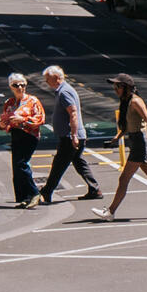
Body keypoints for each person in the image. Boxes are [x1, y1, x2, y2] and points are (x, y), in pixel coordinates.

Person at [94, 73, 147, 220]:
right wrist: (117, 138)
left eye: (118, 86)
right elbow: (128, 125)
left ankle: (111, 212)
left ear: (126, 87)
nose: (115, 88)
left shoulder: (136, 101)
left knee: (124, 179)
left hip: (140, 143)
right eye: (115, 85)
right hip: (135, 141)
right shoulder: (126, 101)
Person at [37, 65, 101, 203]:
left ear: (56, 77)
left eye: (47, 79)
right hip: (72, 136)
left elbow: (73, 113)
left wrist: (73, 136)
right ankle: (94, 189)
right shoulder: (63, 91)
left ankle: (47, 192)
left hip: (70, 137)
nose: (46, 82)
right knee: (79, 162)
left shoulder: (65, 92)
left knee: (59, 164)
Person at [0, 73, 45, 207]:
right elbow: (4, 122)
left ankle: (35, 193)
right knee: (16, 168)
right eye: (16, 85)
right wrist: (3, 124)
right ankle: (24, 198)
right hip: (16, 134)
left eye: (22, 85)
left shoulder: (32, 101)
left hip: (29, 135)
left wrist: (23, 120)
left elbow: (40, 119)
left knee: (21, 164)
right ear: (11, 87)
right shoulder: (9, 103)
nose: (20, 87)